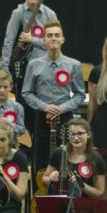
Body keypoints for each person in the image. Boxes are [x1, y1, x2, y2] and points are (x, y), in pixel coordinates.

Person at [22, 20, 86, 172]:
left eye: (57, 35)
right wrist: (45, 106)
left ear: (63, 39)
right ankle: (40, 185)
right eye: (49, 35)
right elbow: (26, 92)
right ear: (44, 40)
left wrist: (61, 108)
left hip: (65, 117)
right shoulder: (34, 64)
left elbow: (80, 94)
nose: (53, 39)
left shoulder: (74, 65)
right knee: (41, 158)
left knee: (66, 157)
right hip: (41, 116)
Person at [0, 0, 58, 75]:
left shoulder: (50, 14)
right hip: (23, 67)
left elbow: (55, 44)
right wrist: (4, 68)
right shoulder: (18, 12)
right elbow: (8, 41)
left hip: (45, 65)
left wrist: (32, 40)